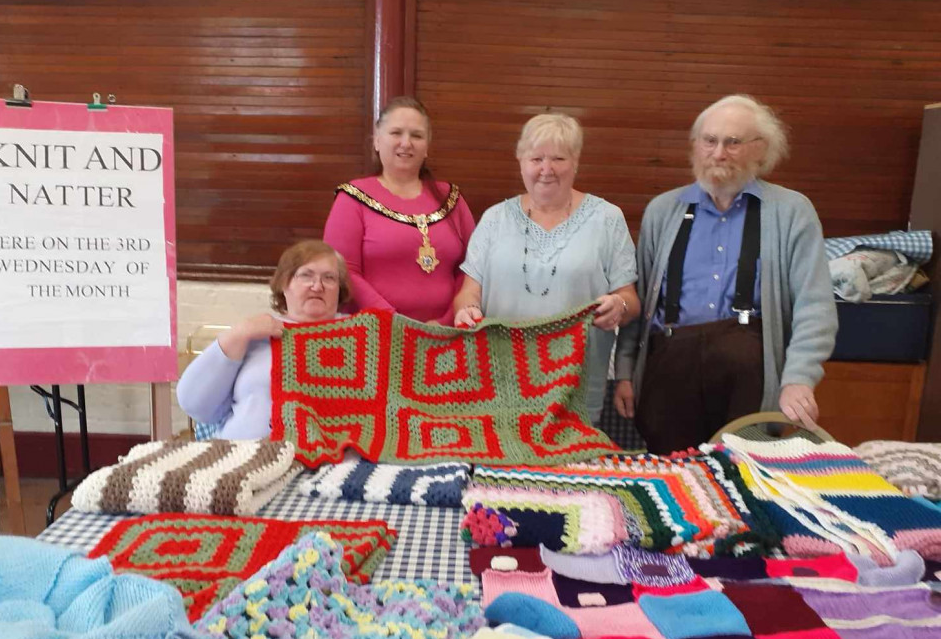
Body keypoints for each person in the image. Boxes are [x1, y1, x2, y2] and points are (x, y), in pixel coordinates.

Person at [614, 94, 838, 453]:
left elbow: (815, 307)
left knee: (744, 482)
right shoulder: (663, 211)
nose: (719, 153)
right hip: (670, 369)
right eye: (710, 141)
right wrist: (625, 371)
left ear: (760, 150)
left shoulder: (792, 212)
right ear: (695, 147)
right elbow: (638, 301)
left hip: (750, 373)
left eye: (733, 142)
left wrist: (799, 378)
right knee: (674, 483)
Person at [452, 112, 640, 425]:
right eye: (536, 158)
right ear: (520, 160)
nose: (546, 170)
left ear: (576, 160)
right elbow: (468, 293)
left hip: (575, 387)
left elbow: (631, 300)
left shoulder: (608, 219)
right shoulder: (494, 219)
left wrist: (618, 306)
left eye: (558, 158)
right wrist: (467, 310)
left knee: (570, 470)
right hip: (500, 381)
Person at [323, 96, 474, 325]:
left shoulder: (451, 198)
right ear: (377, 140)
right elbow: (344, 271)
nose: (406, 143)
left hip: (446, 335)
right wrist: (395, 321)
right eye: (396, 133)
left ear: (427, 147)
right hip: (375, 334)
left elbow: (472, 269)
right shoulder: (352, 198)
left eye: (416, 135)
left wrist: (446, 321)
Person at [177, 240, 349, 439]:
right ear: (285, 284)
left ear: (339, 289)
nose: (317, 286)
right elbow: (194, 404)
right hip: (243, 455)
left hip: (334, 461)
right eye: (306, 275)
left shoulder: (361, 337)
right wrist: (239, 334)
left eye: (329, 278)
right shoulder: (255, 333)